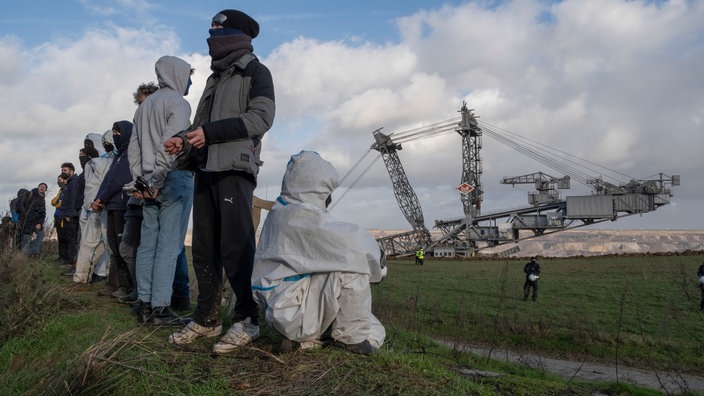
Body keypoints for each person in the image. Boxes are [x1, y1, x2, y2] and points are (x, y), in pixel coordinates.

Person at [166, 9, 275, 353]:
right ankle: (207, 319)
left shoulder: (256, 72)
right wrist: (183, 141)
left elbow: (261, 118)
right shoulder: (214, 79)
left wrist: (208, 133)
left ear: (237, 36)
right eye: (210, 30)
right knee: (204, 248)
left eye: (217, 30)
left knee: (236, 247)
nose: (211, 37)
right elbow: (201, 125)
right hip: (206, 170)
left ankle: (247, 320)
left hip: (235, 170)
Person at [251, 151, 387, 354]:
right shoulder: (301, 216)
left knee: (373, 326)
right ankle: (350, 342)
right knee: (353, 268)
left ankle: (307, 343)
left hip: (285, 306)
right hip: (295, 312)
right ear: (317, 187)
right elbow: (356, 245)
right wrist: (380, 263)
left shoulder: (283, 210)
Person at [127, 55, 194, 326]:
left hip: (147, 184)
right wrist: (156, 179)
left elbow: (134, 148)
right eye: (188, 74)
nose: (190, 80)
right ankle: (160, 310)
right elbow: (170, 146)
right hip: (171, 179)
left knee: (147, 245)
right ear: (177, 74)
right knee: (168, 247)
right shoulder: (179, 103)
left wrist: (141, 180)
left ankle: (143, 303)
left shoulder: (143, 107)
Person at [93, 121, 134, 298]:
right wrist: (99, 198)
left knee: (122, 248)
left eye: (118, 132)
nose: (116, 135)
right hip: (112, 205)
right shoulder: (119, 156)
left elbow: (119, 180)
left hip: (122, 205)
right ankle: (115, 283)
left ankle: (128, 286)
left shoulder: (130, 155)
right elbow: (108, 180)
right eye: (114, 132)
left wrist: (102, 197)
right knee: (113, 247)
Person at [73, 138, 112, 284]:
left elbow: (105, 184)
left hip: (102, 207)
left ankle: (104, 274)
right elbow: (90, 187)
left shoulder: (108, 162)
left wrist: (99, 201)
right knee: (89, 243)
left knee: (107, 245)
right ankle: (84, 275)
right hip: (90, 208)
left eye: (90, 144)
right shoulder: (90, 164)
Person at [56, 162, 81, 275]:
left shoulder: (74, 182)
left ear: (71, 171)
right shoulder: (69, 183)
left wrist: (70, 214)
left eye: (65, 170)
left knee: (72, 241)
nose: (63, 172)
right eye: (62, 170)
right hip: (66, 215)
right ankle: (73, 265)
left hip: (70, 216)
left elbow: (73, 199)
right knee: (70, 240)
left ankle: (75, 266)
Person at [19, 183, 47, 257]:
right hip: (27, 221)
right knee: (26, 237)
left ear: (45, 190)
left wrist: (40, 223)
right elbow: (21, 205)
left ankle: (35, 252)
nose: (42, 188)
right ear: (38, 187)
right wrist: (25, 216)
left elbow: (43, 213)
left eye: (44, 187)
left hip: (36, 222)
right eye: (41, 186)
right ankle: (26, 255)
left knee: (41, 234)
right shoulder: (30, 194)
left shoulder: (42, 199)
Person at [51, 174, 69, 263]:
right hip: (57, 216)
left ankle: (66, 258)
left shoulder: (67, 190)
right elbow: (53, 201)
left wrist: (58, 203)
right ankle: (61, 256)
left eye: (60, 180)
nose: (59, 182)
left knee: (64, 238)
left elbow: (61, 203)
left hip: (63, 217)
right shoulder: (61, 190)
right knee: (60, 238)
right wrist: (58, 202)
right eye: (58, 180)